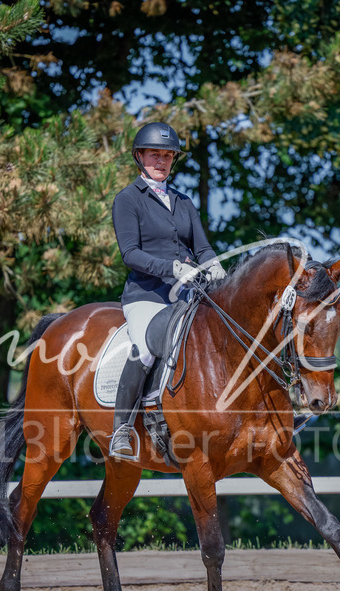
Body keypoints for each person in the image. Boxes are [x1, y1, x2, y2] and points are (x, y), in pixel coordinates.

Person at [109, 122, 226, 460]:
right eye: (154, 155)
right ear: (139, 156)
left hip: (189, 296)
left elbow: (202, 248)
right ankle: (121, 429)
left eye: (167, 155)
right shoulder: (128, 200)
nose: (161, 161)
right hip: (147, 296)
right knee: (146, 349)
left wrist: (215, 265)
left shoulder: (183, 201)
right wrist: (172, 268)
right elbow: (130, 253)